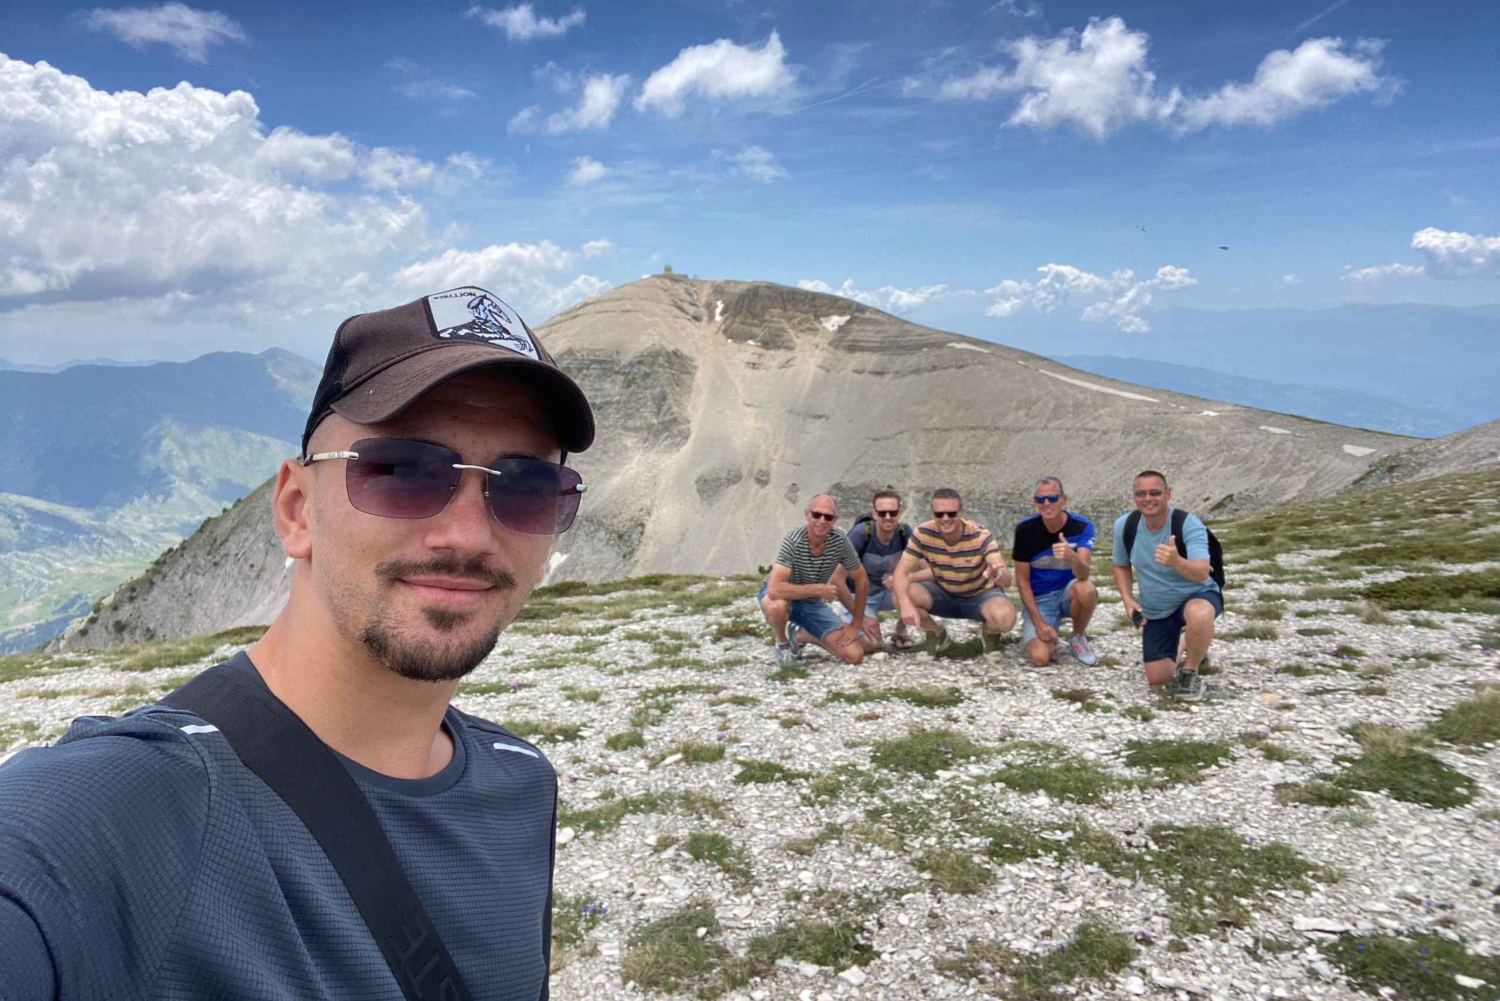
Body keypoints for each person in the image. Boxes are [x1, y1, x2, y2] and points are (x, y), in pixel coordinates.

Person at [0, 285, 591, 998]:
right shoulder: (118, 812)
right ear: (295, 509)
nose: (467, 534)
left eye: (525, 484)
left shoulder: (521, 780)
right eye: (404, 470)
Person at [1111, 469, 1222, 701]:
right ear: (1134, 497)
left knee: (1199, 613)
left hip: (1197, 594)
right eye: (1141, 494)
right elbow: (1120, 565)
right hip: (1157, 607)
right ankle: (1190, 642)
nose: (1147, 499)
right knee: (1157, 678)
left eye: (1155, 493)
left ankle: (1190, 671)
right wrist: (1127, 598)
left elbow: (1202, 572)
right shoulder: (1125, 525)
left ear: (1168, 494)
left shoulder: (1188, 523)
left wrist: (1176, 561)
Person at [893, 488, 1016, 654]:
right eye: (939, 514)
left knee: (1006, 619)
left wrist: (999, 573)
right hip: (943, 593)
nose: (945, 519)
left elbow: (1005, 578)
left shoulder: (980, 535)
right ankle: (936, 634)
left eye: (951, 514)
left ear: (961, 513)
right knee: (899, 595)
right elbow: (901, 573)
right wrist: (905, 604)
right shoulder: (922, 533)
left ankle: (989, 633)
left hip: (980, 594)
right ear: (933, 514)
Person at [760, 495, 870, 667]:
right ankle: (783, 644)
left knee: (854, 655)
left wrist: (857, 623)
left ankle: (800, 634)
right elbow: (774, 590)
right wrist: (818, 590)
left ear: (835, 519)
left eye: (828, 517)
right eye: (816, 515)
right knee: (777, 607)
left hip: (810, 603)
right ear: (807, 514)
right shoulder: (794, 540)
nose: (822, 521)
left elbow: (861, 579)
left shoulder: (840, 540)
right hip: (784, 595)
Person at [1012, 476, 1100, 667]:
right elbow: (1022, 580)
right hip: (1040, 598)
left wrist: (1072, 556)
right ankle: (1042, 628)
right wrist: (1039, 622)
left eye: (1052, 498)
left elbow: (1083, 574)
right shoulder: (1025, 529)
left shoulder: (1082, 526)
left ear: (1063, 499)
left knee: (1087, 589)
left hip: (1067, 593)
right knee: (1040, 658)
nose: (1046, 504)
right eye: (1040, 499)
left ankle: (1077, 636)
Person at [834, 488, 926, 652]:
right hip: (860, 597)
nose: (888, 517)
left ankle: (901, 630)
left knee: (923, 591)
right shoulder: (860, 535)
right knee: (870, 644)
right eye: (883, 513)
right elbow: (836, 579)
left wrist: (903, 578)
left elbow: (931, 571)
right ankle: (810, 632)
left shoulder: (905, 533)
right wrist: (861, 618)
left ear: (900, 512)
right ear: (874, 514)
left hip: (889, 592)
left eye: (893, 512)